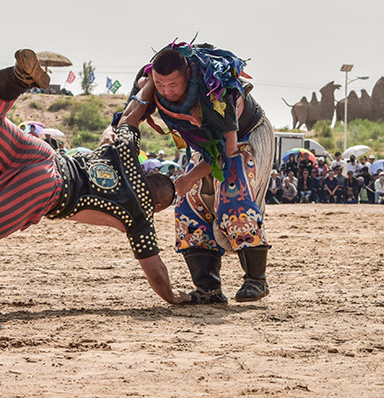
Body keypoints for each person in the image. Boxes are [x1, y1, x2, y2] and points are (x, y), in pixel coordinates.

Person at [0, 49, 188, 312]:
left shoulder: (124, 155)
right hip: (47, 187)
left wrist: (150, 80)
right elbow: (155, 270)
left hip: (41, 155)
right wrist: (173, 296)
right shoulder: (140, 215)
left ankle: (18, 78)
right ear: (159, 205)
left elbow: (130, 115)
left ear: (150, 174)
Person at [100, 41, 272, 304]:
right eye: (161, 85)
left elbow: (228, 150)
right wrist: (112, 133)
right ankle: (208, 288)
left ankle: (255, 280)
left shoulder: (216, 90)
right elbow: (128, 117)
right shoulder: (148, 84)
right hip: (205, 147)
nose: (166, 91)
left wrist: (190, 177)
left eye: (173, 85)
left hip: (243, 136)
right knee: (188, 206)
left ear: (188, 75)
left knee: (233, 196)